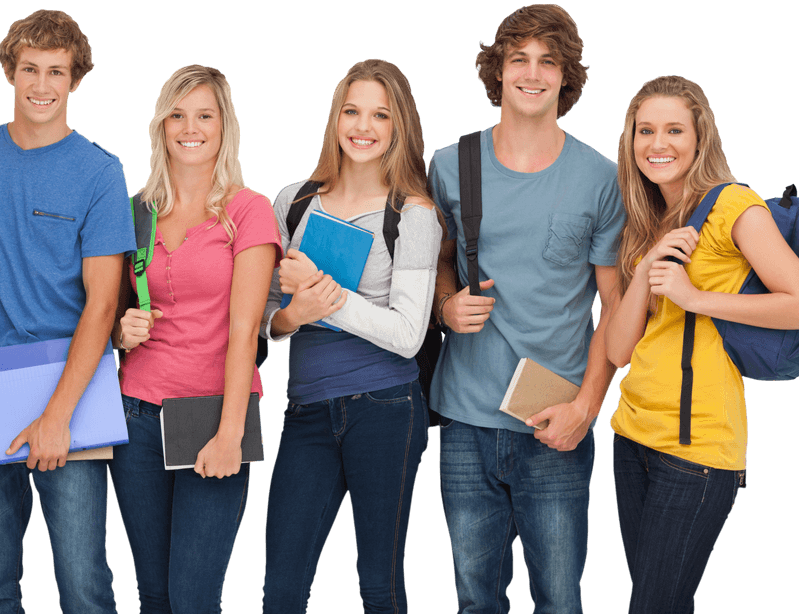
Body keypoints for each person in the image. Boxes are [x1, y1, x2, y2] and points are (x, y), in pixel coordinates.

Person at [0, 10, 133, 614]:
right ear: (10, 72)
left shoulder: (100, 171)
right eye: (30, 69)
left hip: (70, 389)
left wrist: (57, 416)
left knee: (84, 583)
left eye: (56, 72)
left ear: (76, 80)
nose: (42, 85)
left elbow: (104, 303)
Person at [428, 5, 625, 613]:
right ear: (498, 71)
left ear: (567, 77)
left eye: (549, 61)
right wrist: (444, 305)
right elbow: (429, 265)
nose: (533, 73)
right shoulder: (448, 165)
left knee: (560, 603)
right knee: (474, 602)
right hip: (465, 423)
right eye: (520, 59)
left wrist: (586, 408)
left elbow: (615, 307)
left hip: (556, 426)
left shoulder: (603, 178)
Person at [605, 75, 799, 614]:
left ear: (701, 138)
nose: (659, 144)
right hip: (631, 437)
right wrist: (650, 266)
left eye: (675, 129)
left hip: (696, 451)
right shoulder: (644, 222)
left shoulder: (734, 206)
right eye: (645, 131)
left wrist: (693, 296)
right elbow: (618, 351)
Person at [261, 58, 441, 614]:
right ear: (335, 118)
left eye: (380, 115)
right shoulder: (292, 202)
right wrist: (294, 315)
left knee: (378, 586)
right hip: (307, 412)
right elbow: (270, 316)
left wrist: (322, 295)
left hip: (386, 410)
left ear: (398, 127)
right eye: (352, 111)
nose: (363, 127)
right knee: (282, 589)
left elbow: (409, 335)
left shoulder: (412, 216)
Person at [109, 64, 280, 613]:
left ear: (224, 126)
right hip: (136, 413)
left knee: (193, 597)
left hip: (212, 416)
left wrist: (230, 431)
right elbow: (116, 310)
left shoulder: (249, 211)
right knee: (154, 595)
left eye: (205, 115)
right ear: (161, 126)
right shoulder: (139, 210)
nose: (190, 127)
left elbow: (244, 330)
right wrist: (121, 331)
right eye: (177, 115)